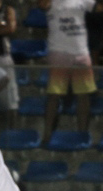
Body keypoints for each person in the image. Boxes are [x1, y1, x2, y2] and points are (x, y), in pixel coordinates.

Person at [39, 0, 101, 142]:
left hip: (81, 52)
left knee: (83, 96)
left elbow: (98, 8)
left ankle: (82, 133)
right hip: (59, 52)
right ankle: (47, 134)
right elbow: (42, 5)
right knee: (54, 94)